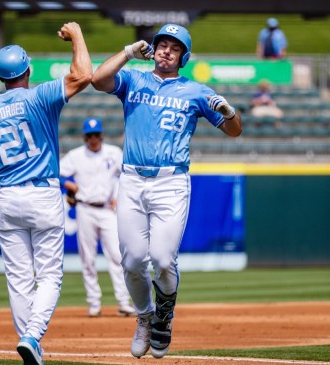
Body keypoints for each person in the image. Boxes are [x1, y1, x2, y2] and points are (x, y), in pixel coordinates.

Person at [91, 24, 242, 359]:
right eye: (162, 45)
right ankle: (145, 317)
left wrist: (229, 112)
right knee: (130, 262)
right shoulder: (134, 79)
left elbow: (234, 132)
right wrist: (129, 52)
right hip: (131, 179)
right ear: (154, 49)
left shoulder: (195, 91)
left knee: (161, 258)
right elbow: (98, 79)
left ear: (183, 57)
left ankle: (164, 317)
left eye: (175, 48)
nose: (166, 51)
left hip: (170, 181)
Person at [0, 22, 91, 365]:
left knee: (19, 280)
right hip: (42, 193)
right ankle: (32, 336)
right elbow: (83, 74)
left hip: (6, 196)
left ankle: (31, 346)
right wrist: (77, 36)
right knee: (50, 275)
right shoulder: (39, 96)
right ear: (28, 70)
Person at [59, 118, 136, 318]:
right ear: (84, 136)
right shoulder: (75, 156)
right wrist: (69, 185)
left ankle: (123, 302)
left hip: (107, 210)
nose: (93, 138)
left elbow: (128, 174)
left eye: (96, 134)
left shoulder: (113, 153)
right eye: (89, 135)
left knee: (117, 257)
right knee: (88, 258)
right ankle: (94, 303)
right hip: (85, 208)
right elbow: (56, 173)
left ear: (101, 135)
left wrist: (119, 195)